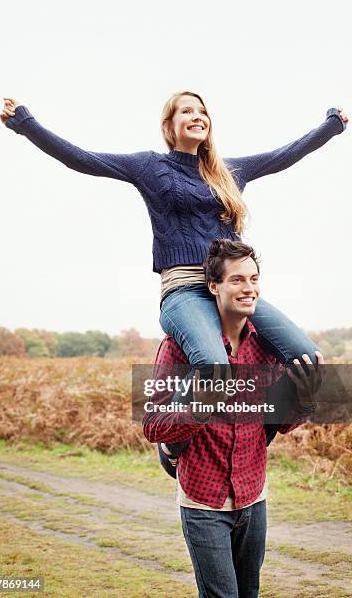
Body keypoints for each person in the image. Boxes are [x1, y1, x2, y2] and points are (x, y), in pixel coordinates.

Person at [0, 92, 347, 380]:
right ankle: (172, 436)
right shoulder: (149, 166)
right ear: (169, 125)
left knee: (307, 360)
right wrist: (26, 124)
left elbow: (284, 155)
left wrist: (331, 126)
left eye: (202, 111)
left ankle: (256, 431)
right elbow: (82, 159)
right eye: (186, 110)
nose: (197, 116)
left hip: (233, 288)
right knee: (216, 371)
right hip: (184, 289)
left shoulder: (228, 172)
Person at [142, 238, 323, 598]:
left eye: (254, 279)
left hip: (253, 497)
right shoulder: (177, 347)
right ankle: (171, 456)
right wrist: (201, 406)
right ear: (214, 286)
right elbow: (152, 424)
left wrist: (304, 401)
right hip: (203, 501)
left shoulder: (267, 348)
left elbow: (280, 423)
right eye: (237, 280)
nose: (249, 288)